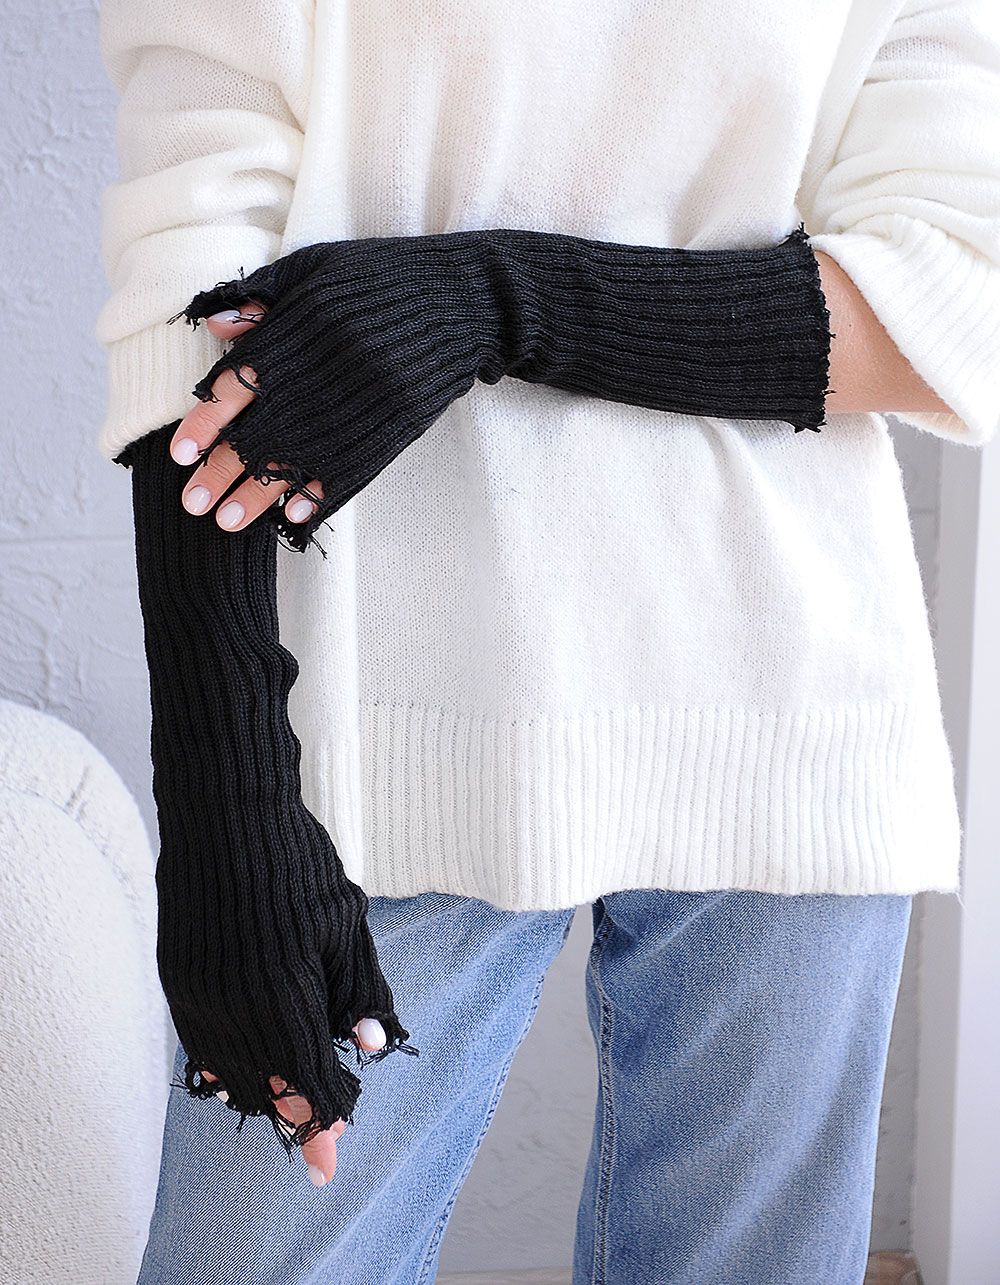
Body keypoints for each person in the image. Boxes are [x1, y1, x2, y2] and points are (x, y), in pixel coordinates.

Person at [94, 1, 999, 1282]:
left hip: (788, 704)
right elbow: (188, 308)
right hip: (368, 729)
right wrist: (224, 797)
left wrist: (498, 300)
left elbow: (957, 300)